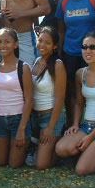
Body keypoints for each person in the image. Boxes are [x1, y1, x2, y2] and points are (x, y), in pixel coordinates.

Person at [55, 33, 95, 175]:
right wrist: (76, 125)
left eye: (93, 47)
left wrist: (90, 137)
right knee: (61, 149)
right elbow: (79, 104)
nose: (88, 51)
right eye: (84, 47)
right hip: (87, 126)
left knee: (82, 169)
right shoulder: (81, 73)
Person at [0, 28, 33, 168]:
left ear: (16, 44)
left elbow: (29, 100)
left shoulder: (23, 67)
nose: (3, 45)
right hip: (0, 119)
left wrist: (22, 128)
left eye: (7, 42)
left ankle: (30, 146)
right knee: (1, 162)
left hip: (18, 119)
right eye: (0, 42)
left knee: (14, 164)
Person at [31, 26, 66, 170]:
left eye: (48, 43)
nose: (42, 45)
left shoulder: (58, 65)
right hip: (35, 117)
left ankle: (59, 144)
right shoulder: (36, 61)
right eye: (40, 41)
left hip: (51, 117)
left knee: (41, 165)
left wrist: (50, 127)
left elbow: (60, 98)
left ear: (55, 46)